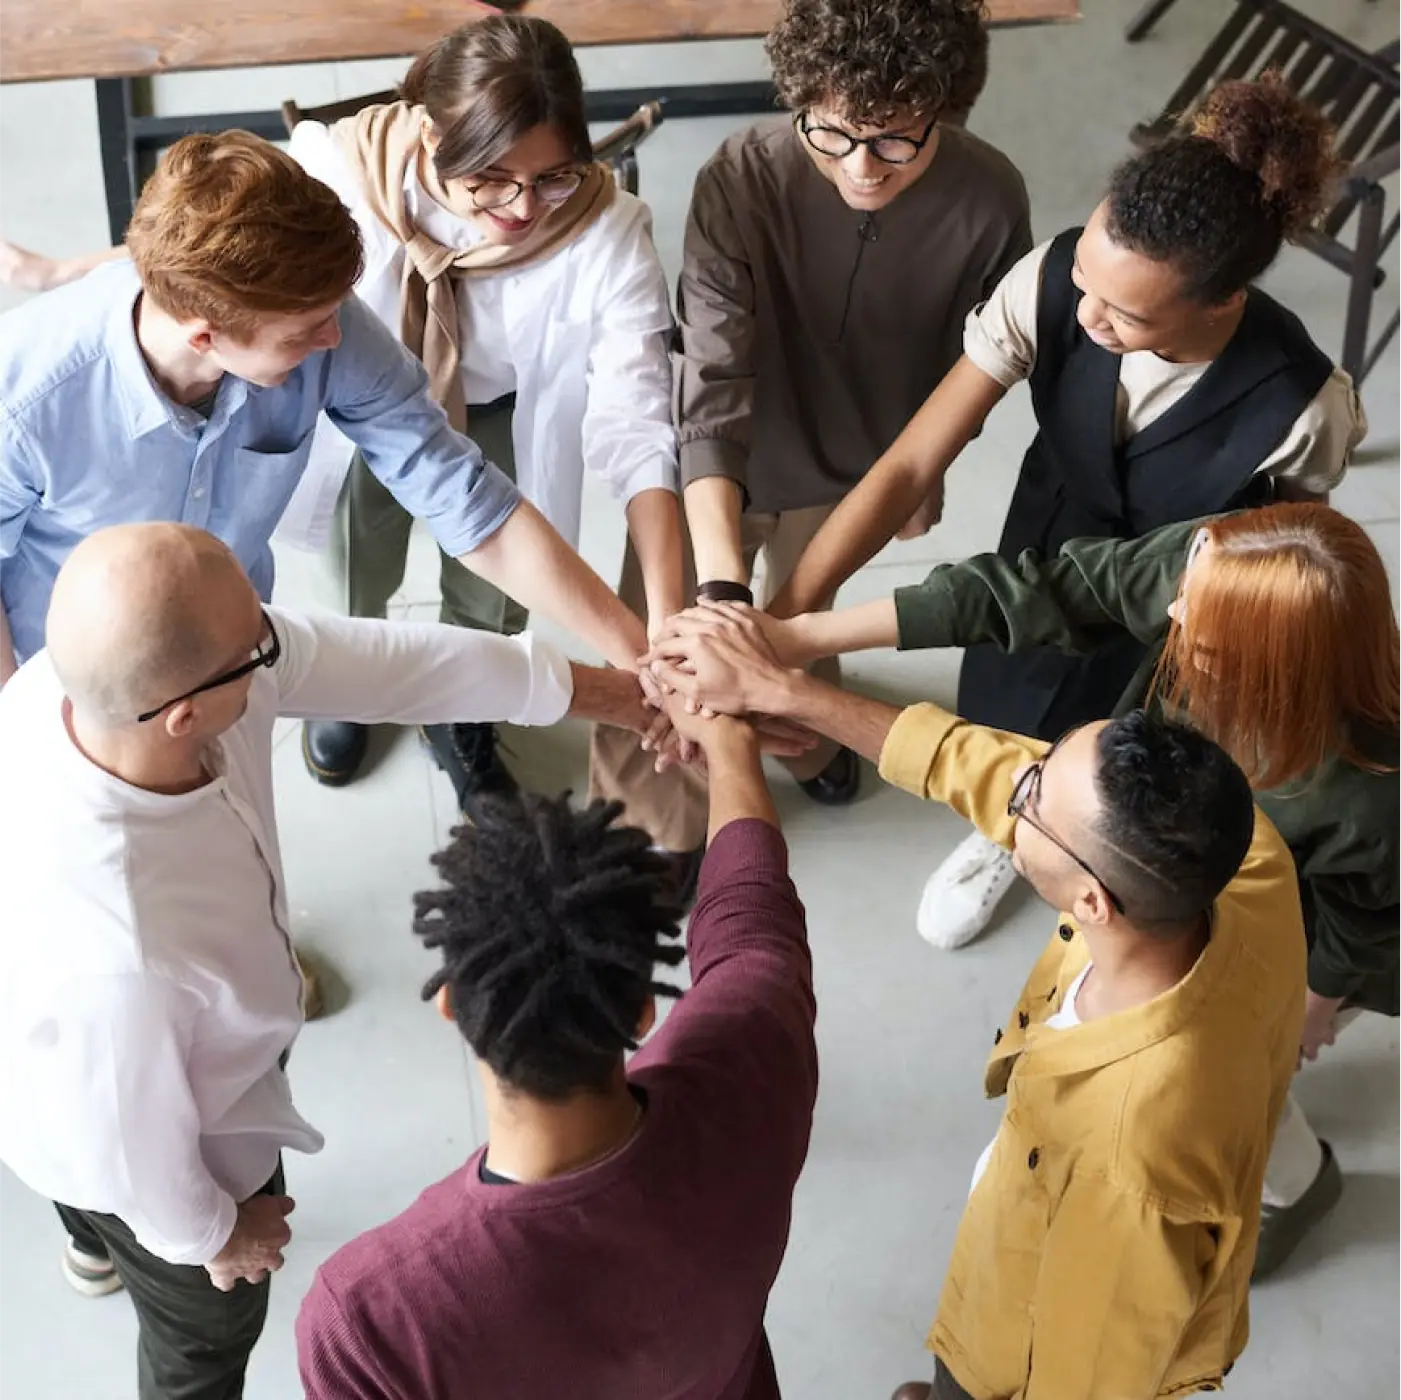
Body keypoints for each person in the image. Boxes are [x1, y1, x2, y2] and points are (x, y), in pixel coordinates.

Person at [0, 17, 700, 876]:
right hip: (60, 683)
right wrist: (25, 743)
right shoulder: (26, 394)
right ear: (206, 334)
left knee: (232, 840)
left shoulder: (323, 320)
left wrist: (639, 659)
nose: (337, 340)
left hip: (233, 652)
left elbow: (466, 499)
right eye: (304, 334)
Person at [0, 521, 661, 1399]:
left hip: (83, 1058)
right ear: (184, 716)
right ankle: (114, 1246)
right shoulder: (123, 957)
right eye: (255, 648)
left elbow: (385, 664)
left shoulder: (87, 683)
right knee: (202, 1338)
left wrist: (609, 694)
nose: (275, 649)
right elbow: (123, 1146)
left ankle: (92, 1242)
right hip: (126, 1138)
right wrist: (214, 1237)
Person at [707, 500, 1401, 1275]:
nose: (1170, 608)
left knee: (1235, 1074)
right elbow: (1044, 596)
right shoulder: (1216, 566)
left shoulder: (1367, 795)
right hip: (1176, 901)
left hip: (1275, 951)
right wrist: (793, 649)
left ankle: (1295, 1187)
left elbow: (1363, 923)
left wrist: (1310, 1006)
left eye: (1197, 633)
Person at [767, 71, 1366, 948]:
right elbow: (906, 466)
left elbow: (1280, 560)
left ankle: (1084, 857)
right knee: (1006, 695)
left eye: (1123, 313)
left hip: (1172, 612)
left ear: (1222, 303)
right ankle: (1006, 830)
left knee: (1122, 759)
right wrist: (787, 615)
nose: (1086, 317)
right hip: (1044, 540)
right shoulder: (1049, 282)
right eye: (1083, 277)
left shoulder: (1306, 406)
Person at [645, 609, 1306, 1399]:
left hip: (1015, 1339)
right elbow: (985, 766)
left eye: (1029, 800)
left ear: (1091, 902)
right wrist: (784, 692)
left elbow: (1087, 1375)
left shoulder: (1130, 1166)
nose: (1013, 788)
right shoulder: (1238, 854)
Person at [294, 697, 817, 1398]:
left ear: (450, 1004)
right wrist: (728, 746)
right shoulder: (754, 1057)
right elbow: (753, 923)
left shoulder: (368, 1320)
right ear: (641, 1009)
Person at [673, 0, 1030, 808]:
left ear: (949, 108)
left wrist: (923, 475)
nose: (861, 167)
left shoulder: (991, 200)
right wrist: (725, 597)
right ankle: (658, 816)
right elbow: (711, 375)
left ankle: (804, 748)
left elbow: (965, 372)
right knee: (680, 627)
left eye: (895, 139)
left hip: (855, 467)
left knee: (804, 615)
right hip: (717, 456)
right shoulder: (738, 176)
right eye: (829, 132)